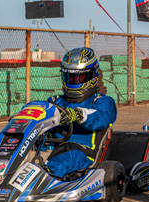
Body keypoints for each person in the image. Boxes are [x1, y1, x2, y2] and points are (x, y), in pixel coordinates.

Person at [44, 47, 117, 179]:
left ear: (93, 75)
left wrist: (77, 115)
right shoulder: (55, 101)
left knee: (68, 152)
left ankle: (46, 177)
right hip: (51, 149)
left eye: (79, 77)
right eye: (70, 77)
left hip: (82, 152)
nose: (74, 82)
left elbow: (100, 116)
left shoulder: (102, 101)